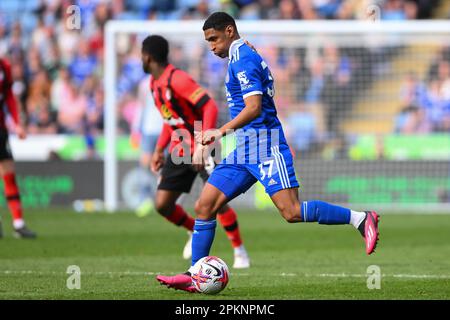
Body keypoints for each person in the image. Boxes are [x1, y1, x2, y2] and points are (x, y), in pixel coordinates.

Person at [156, 12, 380, 292]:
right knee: (204, 205)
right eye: (207, 42)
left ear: (229, 31)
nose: (211, 47)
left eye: (214, 39)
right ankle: (194, 273)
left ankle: (360, 218)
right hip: (244, 149)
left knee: (291, 211)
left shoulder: (244, 59)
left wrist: (219, 131)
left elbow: (254, 108)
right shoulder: (242, 55)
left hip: (266, 145)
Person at [140, 35, 250, 268]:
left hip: (200, 146)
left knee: (217, 201)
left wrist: (203, 143)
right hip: (179, 147)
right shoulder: (154, 84)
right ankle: (193, 230)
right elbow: (169, 120)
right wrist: (159, 149)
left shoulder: (177, 79)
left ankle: (240, 251)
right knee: (162, 204)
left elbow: (208, 104)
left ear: (148, 57)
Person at [0, 57, 37, 239]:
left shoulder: (4, 66)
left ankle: (18, 224)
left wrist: (17, 123)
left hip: (0, 129)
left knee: (8, 173)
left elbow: (8, 97)